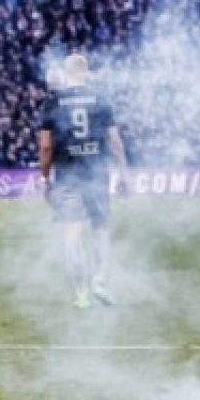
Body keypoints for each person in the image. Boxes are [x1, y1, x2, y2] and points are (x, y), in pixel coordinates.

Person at [38, 54, 128, 309]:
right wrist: (123, 172)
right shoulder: (102, 99)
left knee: (72, 235)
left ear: (66, 74)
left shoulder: (53, 103)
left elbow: (46, 148)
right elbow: (115, 141)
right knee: (100, 229)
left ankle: (81, 294)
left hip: (68, 176)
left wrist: (45, 180)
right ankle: (100, 281)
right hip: (97, 174)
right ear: (86, 72)